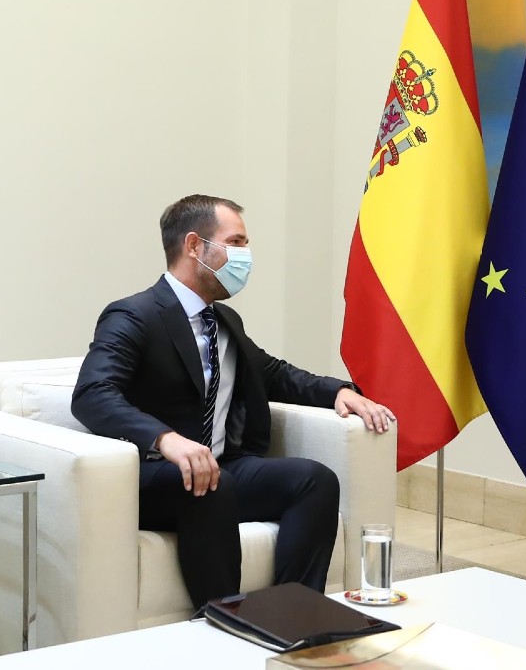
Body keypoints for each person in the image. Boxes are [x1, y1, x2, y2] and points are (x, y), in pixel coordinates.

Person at [72, 194, 395, 609]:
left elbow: (273, 373)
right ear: (194, 246)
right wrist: (165, 439)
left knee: (314, 481)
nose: (247, 255)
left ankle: (293, 612)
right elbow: (92, 394)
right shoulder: (134, 315)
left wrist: (339, 392)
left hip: (222, 469)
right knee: (212, 485)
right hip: (157, 477)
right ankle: (224, 620)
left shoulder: (223, 320)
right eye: (237, 242)